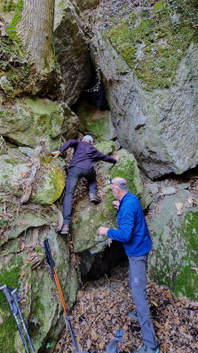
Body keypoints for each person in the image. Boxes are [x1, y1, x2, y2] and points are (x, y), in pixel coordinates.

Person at [98, 177, 159, 353]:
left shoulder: (127, 207)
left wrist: (106, 231)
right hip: (140, 247)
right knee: (134, 285)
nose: (111, 192)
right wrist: (121, 206)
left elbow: (125, 235)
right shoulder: (130, 199)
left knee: (139, 295)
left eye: (111, 189)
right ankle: (141, 318)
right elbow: (130, 211)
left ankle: (150, 345)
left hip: (138, 252)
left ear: (117, 189)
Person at [51, 135, 119, 235]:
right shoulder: (93, 149)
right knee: (92, 179)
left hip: (75, 170)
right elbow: (105, 157)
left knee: (69, 194)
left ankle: (65, 225)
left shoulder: (78, 143)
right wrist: (115, 160)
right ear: (90, 142)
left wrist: (60, 151)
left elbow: (70, 141)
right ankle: (92, 194)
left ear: (83, 140)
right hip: (88, 169)